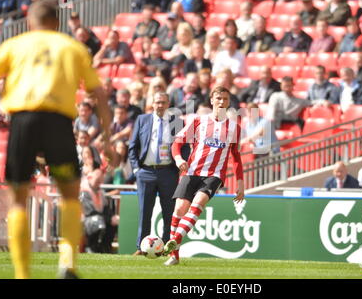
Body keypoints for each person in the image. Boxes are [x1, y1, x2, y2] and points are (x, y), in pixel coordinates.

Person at [0, 0, 113, 279]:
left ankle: (22, 274)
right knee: (70, 194)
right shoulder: (72, 47)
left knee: (19, 200)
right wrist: (106, 137)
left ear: (29, 22)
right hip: (58, 123)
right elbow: (99, 94)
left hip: (23, 121)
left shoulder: (14, 45)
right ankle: (68, 266)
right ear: (57, 23)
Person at [162, 86, 245, 266]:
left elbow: (236, 157)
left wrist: (240, 182)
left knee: (198, 203)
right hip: (191, 172)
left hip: (214, 175)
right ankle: (174, 256)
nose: (222, 102)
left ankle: (174, 240)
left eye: (225, 99)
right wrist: (178, 159)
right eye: (219, 99)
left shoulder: (234, 127)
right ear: (212, 100)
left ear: (229, 102)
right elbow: (177, 143)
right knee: (178, 211)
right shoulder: (198, 121)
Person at [128, 92, 189, 255]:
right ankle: (141, 248)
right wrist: (136, 169)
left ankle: (167, 248)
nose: (160, 105)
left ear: (168, 103)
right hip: (146, 172)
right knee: (144, 212)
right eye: (157, 102)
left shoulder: (177, 122)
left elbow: (185, 146)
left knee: (169, 212)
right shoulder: (142, 120)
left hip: (168, 172)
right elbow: (132, 146)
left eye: (163, 102)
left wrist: (180, 164)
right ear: (152, 103)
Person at [80, 168, 118, 254]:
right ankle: (91, 247)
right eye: (97, 180)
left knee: (114, 221)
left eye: (100, 181)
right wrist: (105, 217)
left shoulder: (99, 191)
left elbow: (105, 207)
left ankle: (105, 247)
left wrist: (111, 217)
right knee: (97, 221)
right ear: (90, 178)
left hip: (99, 216)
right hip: (85, 219)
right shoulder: (84, 191)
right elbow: (88, 210)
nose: (99, 183)